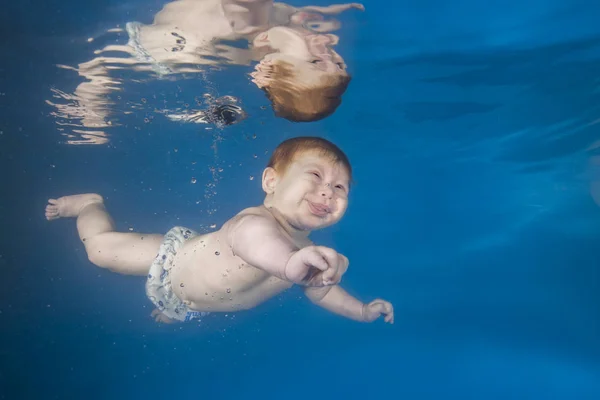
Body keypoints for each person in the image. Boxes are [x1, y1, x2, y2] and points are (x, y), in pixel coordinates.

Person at [45, 136, 394, 324]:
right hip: (171, 262)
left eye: (340, 189)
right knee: (100, 251)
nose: (326, 192)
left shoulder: (306, 256)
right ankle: (89, 205)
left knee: (181, 304)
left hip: (194, 299)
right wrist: (291, 264)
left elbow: (320, 292)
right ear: (271, 181)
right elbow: (255, 245)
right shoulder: (256, 224)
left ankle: (173, 306)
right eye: (316, 176)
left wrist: (359, 311)